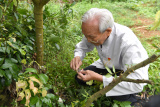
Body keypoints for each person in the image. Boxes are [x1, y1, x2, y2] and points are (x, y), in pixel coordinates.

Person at [70, 8, 149, 105]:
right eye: (86, 36)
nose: (88, 40)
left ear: (108, 31)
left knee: (118, 95)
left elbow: (137, 83)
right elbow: (83, 46)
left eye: (91, 37)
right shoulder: (94, 31)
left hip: (127, 73)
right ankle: (109, 85)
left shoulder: (128, 43)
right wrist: (78, 56)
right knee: (80, 78)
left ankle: (139, 100)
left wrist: (100, 78)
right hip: (108, 65)